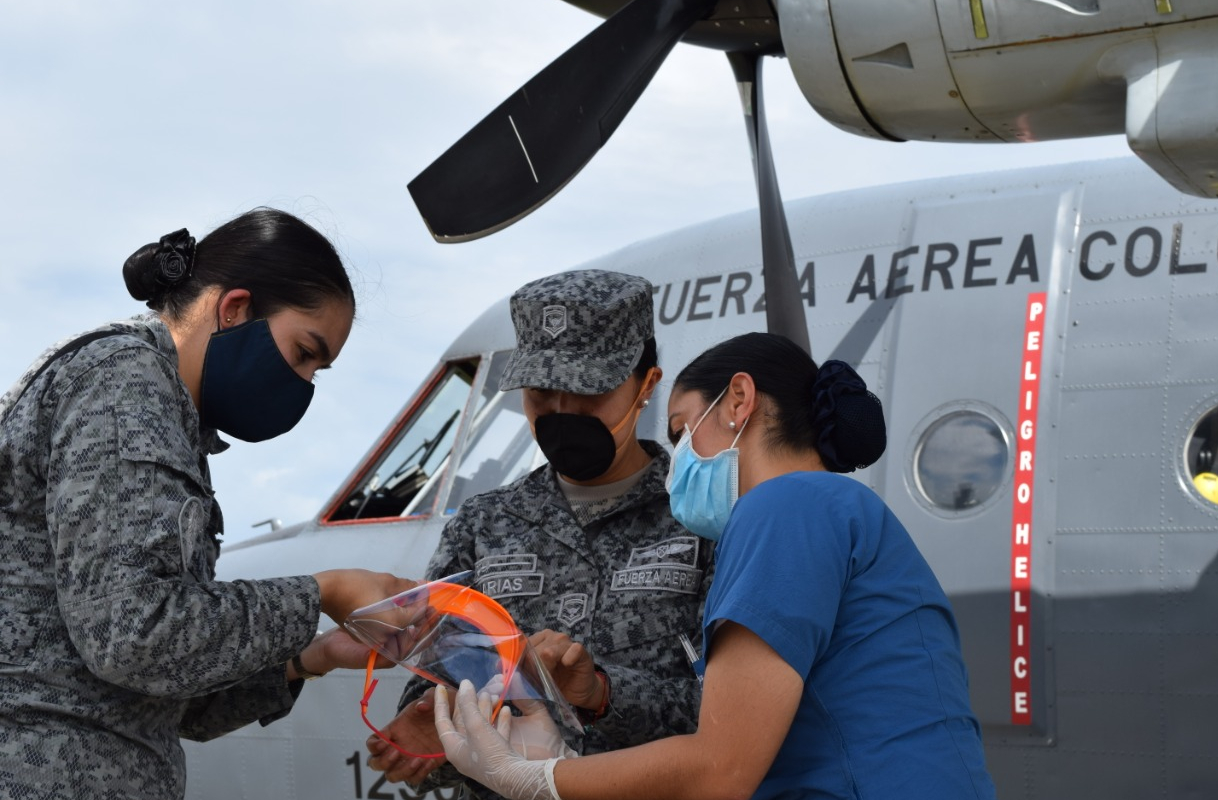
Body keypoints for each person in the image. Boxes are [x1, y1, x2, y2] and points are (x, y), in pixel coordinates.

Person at [433, 331, 999, 800]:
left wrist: (529, 778)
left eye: (680, 432)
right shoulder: (833, 508)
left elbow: (720, 769)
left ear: (738, 401)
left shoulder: (783, 506)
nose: (676, 461)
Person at [0, 209, 416, 800]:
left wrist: (313, 655)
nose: (303, 385)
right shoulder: (126, 385)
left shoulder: (168, 412)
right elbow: (132, 636)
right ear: (235, 309)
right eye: (303, 353)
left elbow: (167, 694)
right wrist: (326, 591)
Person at [365, 269, 712, 797]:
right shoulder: (483, 525)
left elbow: (732, 719)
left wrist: (601, 695)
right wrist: (430, 729)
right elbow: (428, 686)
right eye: (542, 394)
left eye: (586, 392)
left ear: (646, 385)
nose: (562, 413)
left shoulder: (700, 521)